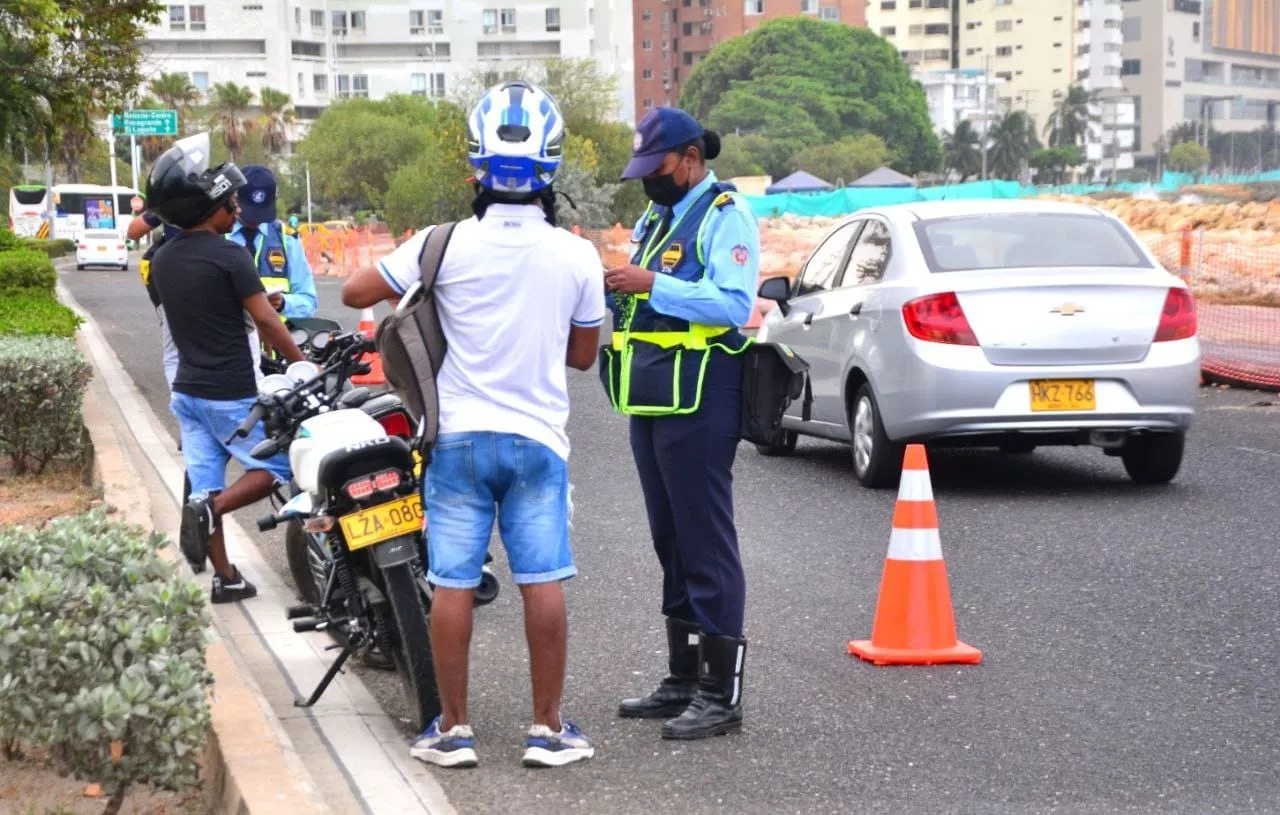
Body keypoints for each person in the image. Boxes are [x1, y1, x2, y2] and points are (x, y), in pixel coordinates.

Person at [341, 80, 604, 770]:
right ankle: (547, 728)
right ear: (549, 168)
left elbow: (354, 292)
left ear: (475, 168)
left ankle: (452, 729)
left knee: (454, 583)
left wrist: (421, 275)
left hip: (455, 439)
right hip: (539, 441)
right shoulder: (577, 256)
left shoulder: (443, 242)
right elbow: (582, 355)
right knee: (541, 578)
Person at [603, 106, 761, 740]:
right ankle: (683, 677)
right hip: (654, 393)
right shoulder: (657, 216)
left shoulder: (727, 216)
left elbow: (733, 303)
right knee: (669, 537)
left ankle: (721, 693)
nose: (649, 179)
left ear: (690, 160)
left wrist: (650, 284)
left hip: (703, 394)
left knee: (705, 540)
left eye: (657, 166)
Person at [145, 133, 306, 603]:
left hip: (187, 392)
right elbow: (266, 321)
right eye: (228, 200)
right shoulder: (231, 255)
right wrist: (302, 364)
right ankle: (212, 511)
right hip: (230, 391)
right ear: (205, 207)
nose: (235, 206)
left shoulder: (163, 259)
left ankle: (227, 578)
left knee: (203, 484)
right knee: (276, 467)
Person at [227, 165, 318, 322]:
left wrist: (283, 303)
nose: (255, 220)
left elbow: (309, 302)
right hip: (233, 342)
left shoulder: (287, 238)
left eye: (262, 213)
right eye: (249, 213)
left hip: (276, 344)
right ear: (235, 199)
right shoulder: (219, 236)